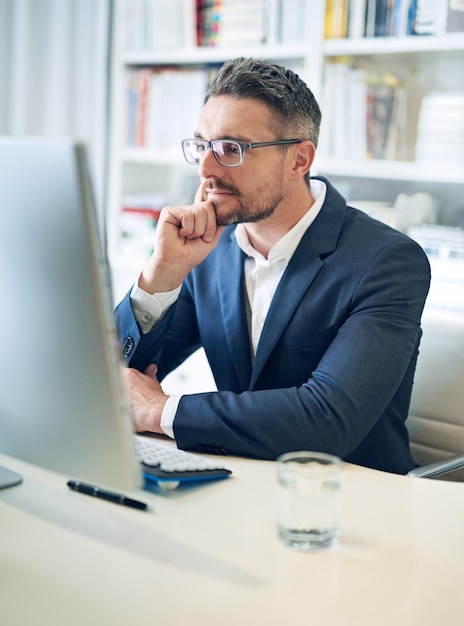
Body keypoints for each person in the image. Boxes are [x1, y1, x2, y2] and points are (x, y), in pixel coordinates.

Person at [116, 57, 431, 474]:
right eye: (202, 146)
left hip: (351, 501)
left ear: (299, 160)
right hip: (241, 482)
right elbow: (114, 382)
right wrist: (164, 274)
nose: (207, 169)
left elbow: (327, 420)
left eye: (232, 148)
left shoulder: (386, 262)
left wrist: (163, 411)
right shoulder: (209, 250)